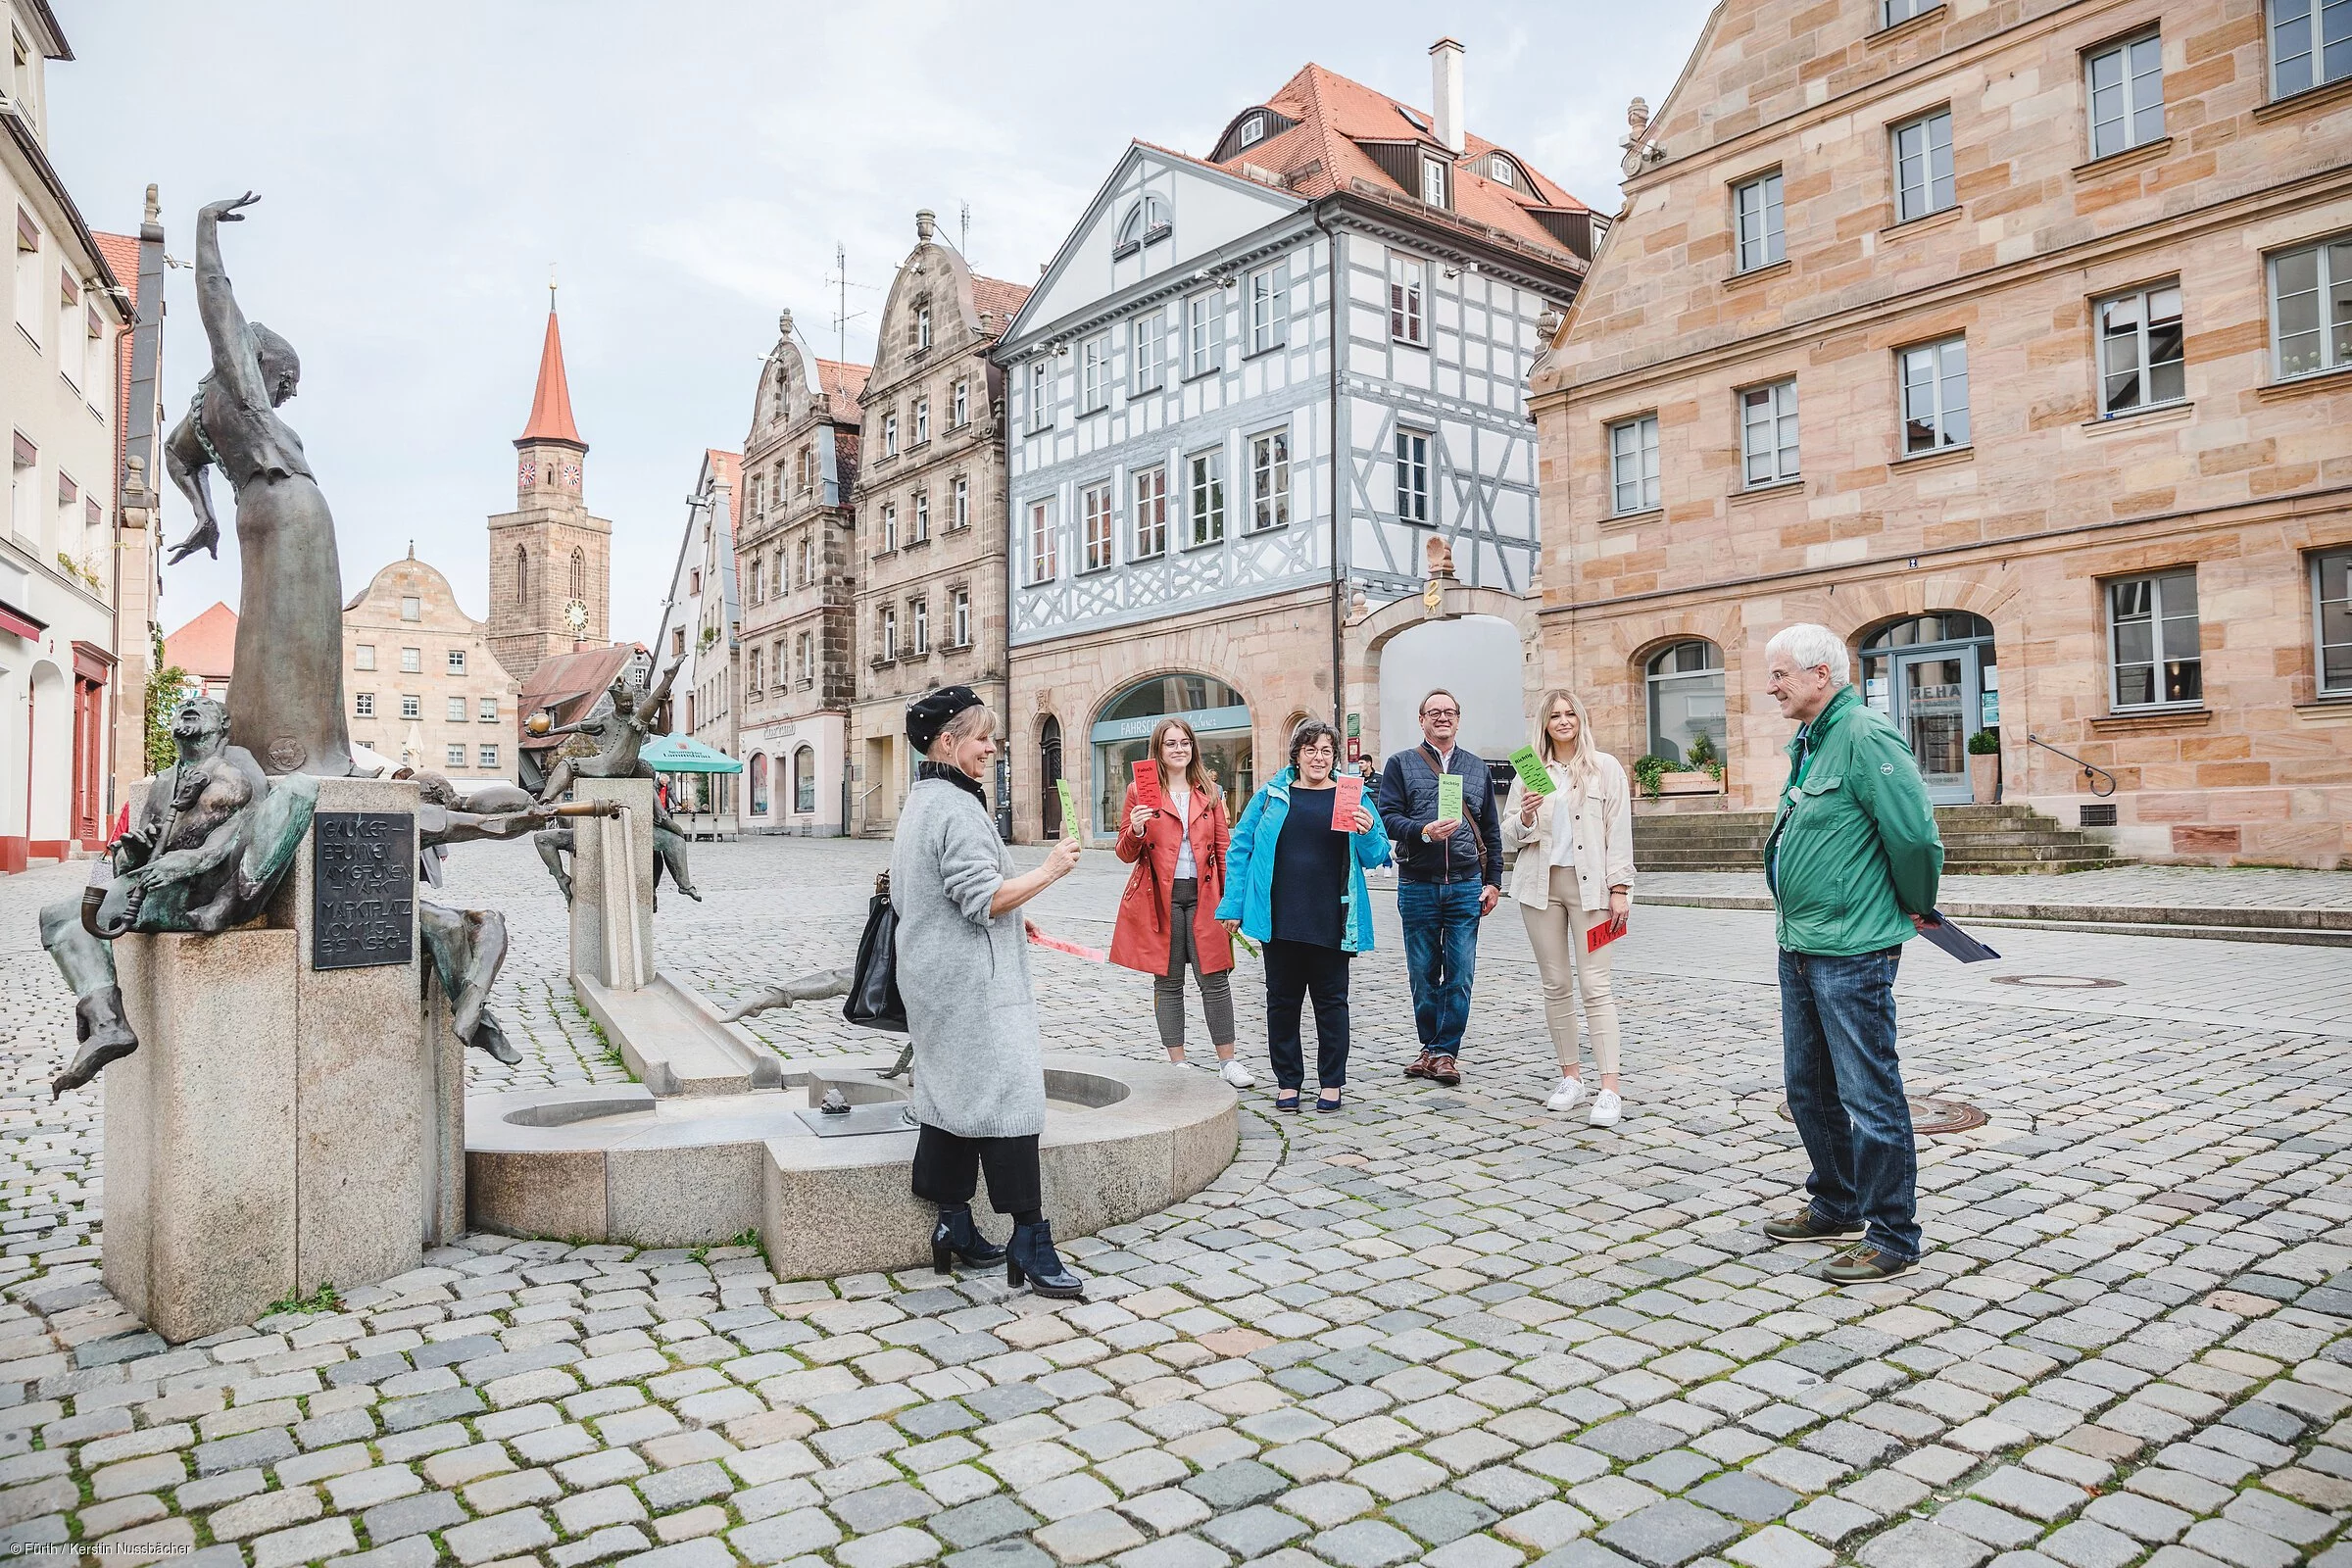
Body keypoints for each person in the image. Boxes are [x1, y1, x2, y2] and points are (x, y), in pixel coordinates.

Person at [1758, 623, 1944, 1285]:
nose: (1771, 685)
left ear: (1821, 675)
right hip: (1801, 945)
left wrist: (1915, 905)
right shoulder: (1812, 741)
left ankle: (1893, 1234)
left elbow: (1916, 839)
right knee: (1809, 1088)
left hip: (1853, 951)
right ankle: (1836, 1203)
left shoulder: (1864, 736)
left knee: (1870, 1095)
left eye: (1780, 673)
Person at [892, 685, 1087, 1298]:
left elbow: (940, 891)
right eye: (983, 738)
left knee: (950, 1093)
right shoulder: (956, 808)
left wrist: (1011, 912)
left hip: (933, 974)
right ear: (949, 742)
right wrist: (1048, 872)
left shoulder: (924, 799)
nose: (993, 748)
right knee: (1010, 1095)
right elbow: (980, 895)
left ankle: (953, 1223)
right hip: (973, 984)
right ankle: (1030, 1235)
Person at [1216, 720, 1391, 1111]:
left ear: (1335, 757)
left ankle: (1332, 1083)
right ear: (1296, 755)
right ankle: (1288, 1081)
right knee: (1282, 1002)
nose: (1319, 757)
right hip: (1279, 917)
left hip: (1333, 916)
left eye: (1327, 751)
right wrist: (1231, 905)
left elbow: (1378, 856)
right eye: (1310, 750)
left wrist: (1367, 833)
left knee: (1332, 1003)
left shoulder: (1352, 795)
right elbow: (1240, 850)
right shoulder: (1270, 796)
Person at [1500, 688, 1634, 1126]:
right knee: (1555, 984)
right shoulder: (1532, 770)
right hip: (1540, 887)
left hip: (1593, 890)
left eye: (1569, 713)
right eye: (1554, 715)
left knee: (1596, 985)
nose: (1563, 721)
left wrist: (1621, 889)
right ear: (1544, 723)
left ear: (1580, 718)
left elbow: (1619, 831)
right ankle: (1571, 1078)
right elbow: (1510, 837)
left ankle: (1609, 1088)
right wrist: (1524, 817)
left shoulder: (1603, 768)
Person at [1109, 718, 1253, 1088]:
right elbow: (1125, 853)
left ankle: (1229, 1061)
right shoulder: (1139, 792)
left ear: (1193, 748)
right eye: (1170, 744)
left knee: (1215, 980)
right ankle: (1178, 1062)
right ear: (1158, 750)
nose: (1179, 749)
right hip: (1159, 898)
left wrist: (1231, 903)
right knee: (1168, 981)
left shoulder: (1209, 791)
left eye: (1185, 743)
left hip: (1205, 897)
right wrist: (1137, 829)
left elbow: (1224, 848)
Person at [1376, 690, 1503, 1087]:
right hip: (1418, 883)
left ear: (1459, 719)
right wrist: (1423, 831)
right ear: (1422, 719)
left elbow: (1491, 831)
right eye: (1435, 712)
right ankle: (1429, 1049)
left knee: (1460, 973)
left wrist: (1494, 881)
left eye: (1449, 712)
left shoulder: (1475, 767)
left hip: (1466, 883)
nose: (1442, 717)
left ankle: (1446, 1052)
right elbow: (1388, 818)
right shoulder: (1401, 763)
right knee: (1422, 973)